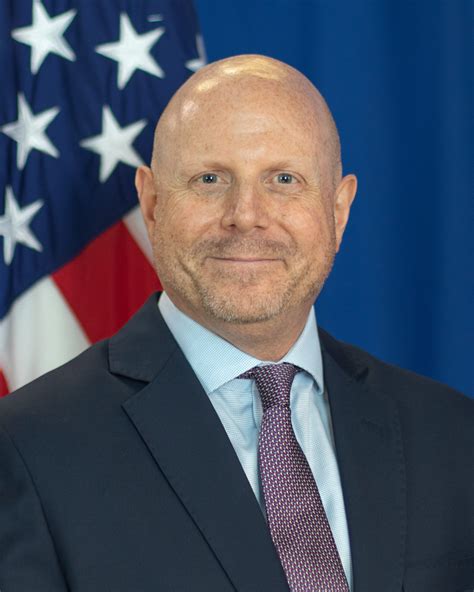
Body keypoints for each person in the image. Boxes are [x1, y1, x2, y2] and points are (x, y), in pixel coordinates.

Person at [0, 55, 472, 592]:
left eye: (284, 179)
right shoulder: (26, 447)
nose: (246, 215)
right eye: (209, 179)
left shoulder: (453, 436)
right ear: (152, 204)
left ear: (339, 210)